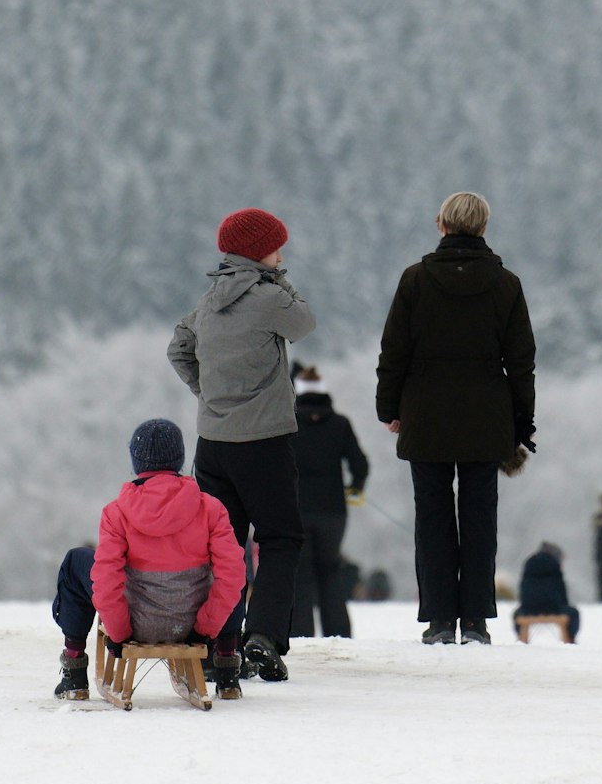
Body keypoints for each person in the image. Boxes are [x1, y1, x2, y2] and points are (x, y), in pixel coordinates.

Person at [375, 192, 537, 647]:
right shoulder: (506, 284)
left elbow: (394, 352)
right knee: (480, 517)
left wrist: (389, 408)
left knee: (432, 517)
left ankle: (440, 620)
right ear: (484, 228)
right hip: (487, 419)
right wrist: (521, 422)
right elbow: (521, 361)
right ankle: (476, 622)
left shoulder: (415, 281)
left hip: (425, 415)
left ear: (440, 224)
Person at [167, 207, 315, 683]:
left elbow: (179, 349)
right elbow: (305, 323)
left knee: (221, 546)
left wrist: (207, 393)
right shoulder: (270, 298)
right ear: (259, 253)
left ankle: (215, 643)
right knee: (279, 538)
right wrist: (281, 282)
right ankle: (264, 640)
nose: (281, 253)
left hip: (213, 442)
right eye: (276, 247)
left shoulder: (210, 300)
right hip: (265, 441)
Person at [51, 419, 246, 701]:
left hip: (135, 622)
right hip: (193, 622)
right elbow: (232, 577)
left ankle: (74, 672)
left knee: (76, 561)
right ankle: (227, 667)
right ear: (179, 459)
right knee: (231, 566)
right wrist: (205, 629)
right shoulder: (210, 508)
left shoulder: (116, 512)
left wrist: (119, 634)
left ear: (137, 461)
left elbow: (106, 581)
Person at [287, 365, 369, 639]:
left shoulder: (288, 423)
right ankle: (339, 634)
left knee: (300, 573)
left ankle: (301, 634)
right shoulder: (340, 424)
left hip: (296, 509)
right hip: (333, 511)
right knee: (330, 570)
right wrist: (355, 488)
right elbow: (360, 464)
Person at [514, 542, 580, 642]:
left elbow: (523, 591)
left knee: (516, 614)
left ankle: (521, 639)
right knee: (574, 613)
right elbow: (562, 592)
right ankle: (570, 639)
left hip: (529, 608)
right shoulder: (555, 567)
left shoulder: (529, 565)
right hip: (554, 608)